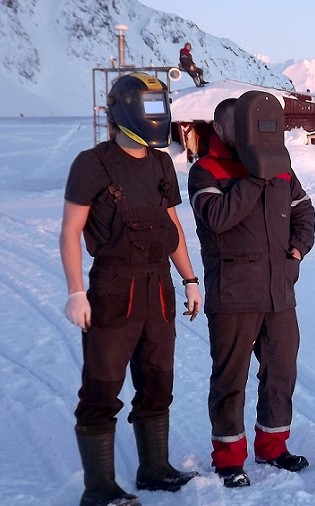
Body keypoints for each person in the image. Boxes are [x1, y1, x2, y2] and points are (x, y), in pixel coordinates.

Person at [60, 72, 203, 505]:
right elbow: (71, 231)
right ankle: (98, 488)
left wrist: (190, 278)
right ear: (126, 111)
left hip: (157, 283)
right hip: (113, 286)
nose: (157, 118)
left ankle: (154, 469)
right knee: (102, 385)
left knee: (158, 379)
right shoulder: (92, 164)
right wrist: (75, 291)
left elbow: (172, 223)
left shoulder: (161, 164)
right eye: (151, 108)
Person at [188, 93, 315, 488]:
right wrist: (255, 176)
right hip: (233, 293)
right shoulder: (204, 170)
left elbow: (304, 209)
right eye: (238, 126)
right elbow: (217, 218)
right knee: (231, 378)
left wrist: (297, 248)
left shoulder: (281, 167)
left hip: (279, 289)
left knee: (281, 370)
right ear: (223, 129)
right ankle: (228, 459)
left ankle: (273, 447)